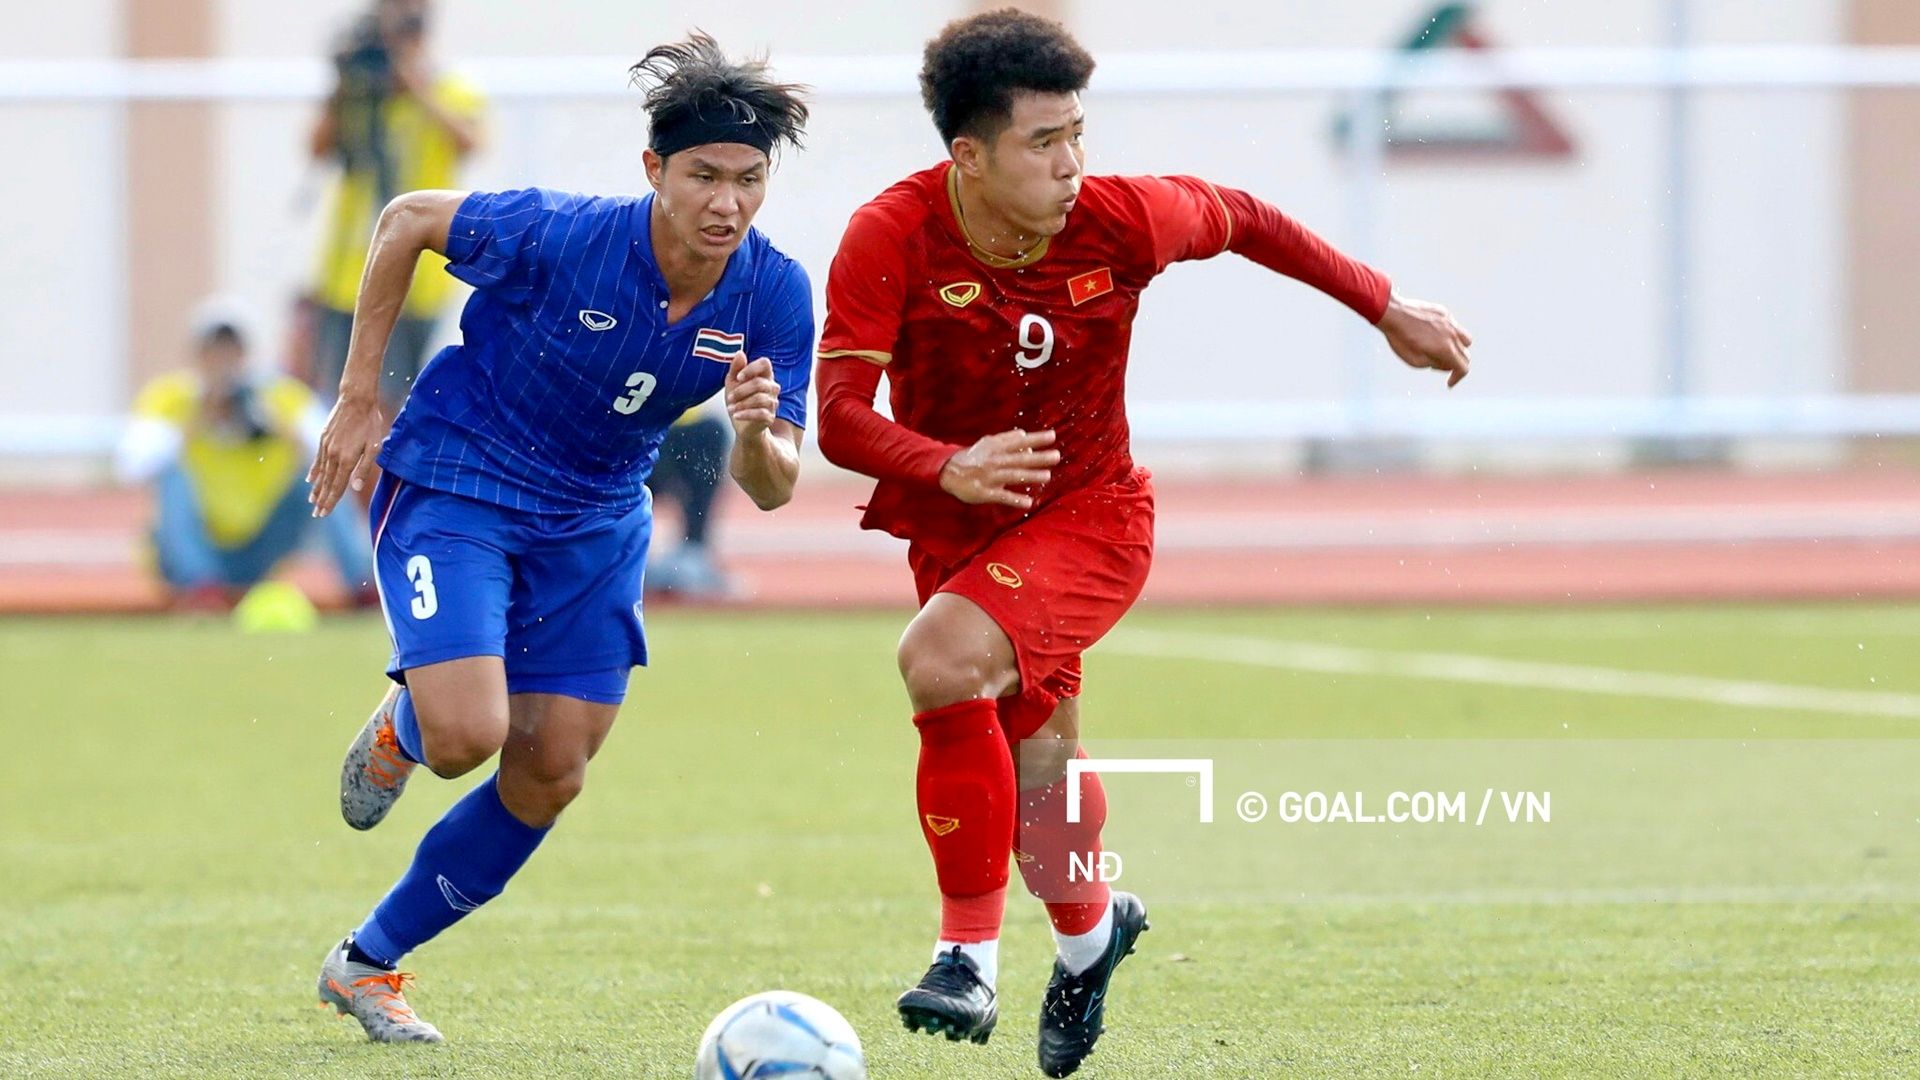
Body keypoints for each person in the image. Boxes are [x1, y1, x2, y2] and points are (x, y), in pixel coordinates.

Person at [813, 10, 1472, 1076]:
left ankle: (965, 958)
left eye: (1080, 132)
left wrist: (1384, 306)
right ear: (968, 156)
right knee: (1042, 775)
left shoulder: (1120, 219)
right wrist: (946, 466)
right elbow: (840, 414)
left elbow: (1247, 217)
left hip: (1093, 517)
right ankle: (1088, 937)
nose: (1073, 163)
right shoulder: (890, 234)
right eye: (1044, 142)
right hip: (958, 523)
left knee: (938, 661)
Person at [306, 34, 812, 1044]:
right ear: (653, 171)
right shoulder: (564, 235)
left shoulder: (775, 291)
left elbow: (771, 489)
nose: (728, 202)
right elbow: (406, 220)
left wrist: (756, 430)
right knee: (463, 737)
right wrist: (359, 398)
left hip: (595, 520)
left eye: (750, 180)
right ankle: (405, 728)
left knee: (553, 770)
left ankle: (367, 964)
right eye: (705, 175)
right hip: (463, 483)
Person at [115, 299, 373, 610]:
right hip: (195, 546)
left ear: (245, 355)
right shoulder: (172, 399)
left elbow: (335, 450)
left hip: (260, 544)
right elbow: (132, 466)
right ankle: (200, 586)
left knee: (319, 476)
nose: (222, 361)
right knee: (172, 475)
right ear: (197, 356)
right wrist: (199, 418)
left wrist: (277, 427)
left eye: (230, 350)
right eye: (214, 350)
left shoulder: (274, 396)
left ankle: (362, 586)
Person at [306, 0, 484, 412]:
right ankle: (358, 478)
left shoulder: (448, 86)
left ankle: (382, 477)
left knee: (393, 404)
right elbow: (316, 148)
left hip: (418, 274)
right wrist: (345, 89)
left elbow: (469, 141)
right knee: (344, 401)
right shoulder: (363, 91)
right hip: (347, 272)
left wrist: (415, 83)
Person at [645, 404, 737, 599]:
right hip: (637, 426)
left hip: (684, 426)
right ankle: (618, 552)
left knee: (712, 431)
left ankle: (694, 548)